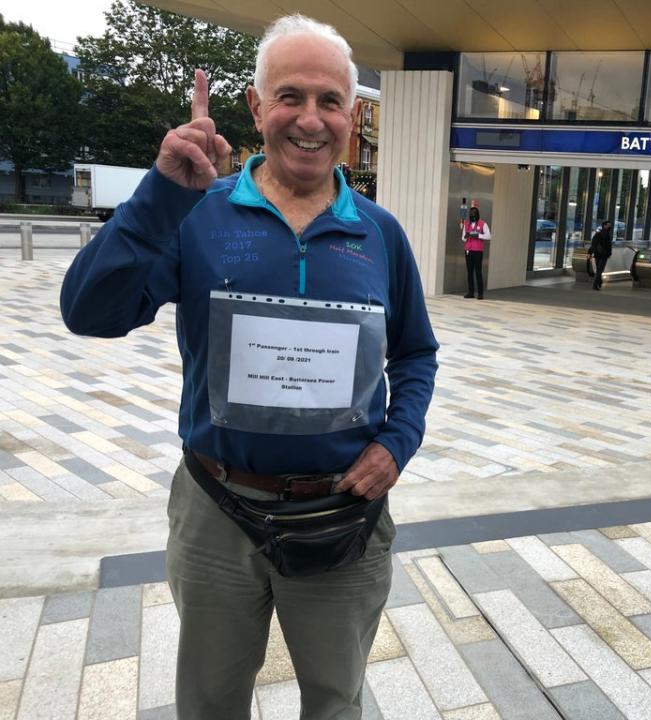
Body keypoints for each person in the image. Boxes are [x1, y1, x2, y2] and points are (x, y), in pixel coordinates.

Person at [60, 14, 438, 720]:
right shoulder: (196, 214)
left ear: (353, 116)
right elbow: (89, 312)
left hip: (344, 518)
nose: (310, 118)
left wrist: (397, 444)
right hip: (217, 510)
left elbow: (416, 352)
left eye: (330, 101)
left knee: (335, 698)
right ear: (256, 108)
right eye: (290, 96)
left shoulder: (380, 233)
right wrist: (162, 192)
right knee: (209, 702)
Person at [462, 206, 491, 298]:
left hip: (478, 251)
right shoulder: (466, 224)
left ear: (477, 214)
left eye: (474, 213)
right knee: (469, 271)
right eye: (471, 213)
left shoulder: (483, 224)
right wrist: (466, 236)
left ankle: (480, 293)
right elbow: (463, 238)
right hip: (468, 250)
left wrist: (478, 235)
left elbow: (489, 236)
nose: (472, 215)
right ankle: (470, 292)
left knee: (478, 271)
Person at [588, 219, 613, 290]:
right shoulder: (607, 234)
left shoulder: (597, 233)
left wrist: (591, 252)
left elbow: (593, 244)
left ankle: (599, 281)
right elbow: (608, 245)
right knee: (600, 270)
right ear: (604, 225)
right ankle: (595, 284)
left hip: (597, 254)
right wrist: (609, 253)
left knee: (599, 269)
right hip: (603, 255)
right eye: (608, 225)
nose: (610, 226)